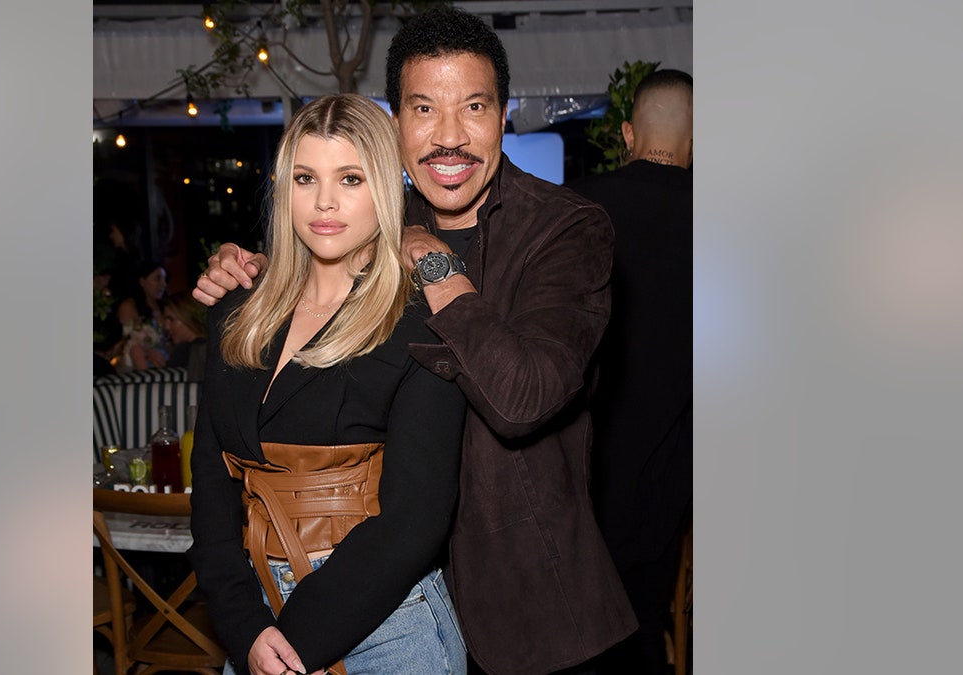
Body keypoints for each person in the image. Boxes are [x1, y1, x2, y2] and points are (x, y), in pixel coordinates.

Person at [192, 8, 637, 674]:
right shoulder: (374, 212)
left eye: (474, 107)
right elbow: (322, 249)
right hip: (364, 585)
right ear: (395, 123)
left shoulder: (565, 230)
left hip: (518, 600)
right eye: (424, 108)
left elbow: (522, 399)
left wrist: (428, 256)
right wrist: (255, 273)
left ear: (505, 115)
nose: (449, 137)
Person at [186, 93, 468, 675]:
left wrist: (295, 643)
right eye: (306, 177)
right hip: (256, 620)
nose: (325, 202)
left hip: (388, 624)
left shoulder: (420, 320)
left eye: (351, 178)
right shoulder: (237, 308)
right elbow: (213, 482)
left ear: (386, 188)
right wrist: (245, 629)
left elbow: (417, 517)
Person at [566, 68, 693, 675]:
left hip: (580, 468)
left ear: (625, 133)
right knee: (645, 628)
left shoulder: (581, 208)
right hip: (673, 473)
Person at [116, 259, 169, 372]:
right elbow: (126, 341)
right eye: (157, 279)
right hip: (136, 361)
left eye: (164, 279)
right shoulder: (129, 306)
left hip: (163, 359)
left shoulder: (166, 307)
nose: (163, 284)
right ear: (142, 281)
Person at [158, 292, 208, 381]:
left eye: (171, 319)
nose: (166, 326)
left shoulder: (184, 350)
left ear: (186, 317)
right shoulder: (211, 346)